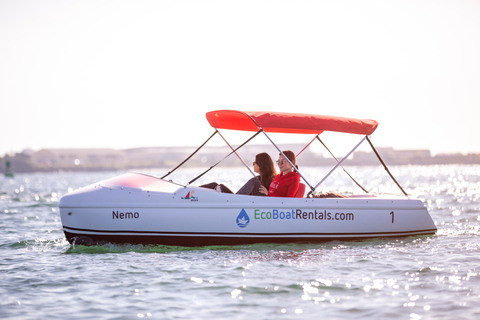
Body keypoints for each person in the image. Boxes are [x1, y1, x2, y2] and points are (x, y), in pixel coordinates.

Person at [201, 152, 277, 196]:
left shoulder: (256, 181)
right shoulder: (273, 180)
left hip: (237, 202)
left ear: (261, 164)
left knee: (217, 186)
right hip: (245, 202)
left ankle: (190, 192)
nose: (253, 164)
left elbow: (238, 196)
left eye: (254, 163)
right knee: (216, 185)